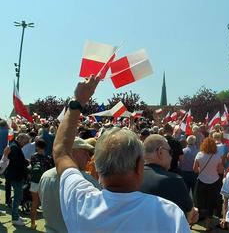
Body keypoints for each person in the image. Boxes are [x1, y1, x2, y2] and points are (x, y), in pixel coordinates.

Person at [52, 75, 190, 233]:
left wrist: (78, 101)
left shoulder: (81, 201)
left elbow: (61, 152)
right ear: (140, 165)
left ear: (96, 165)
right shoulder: (169, 214)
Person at [38, 137, 101, 233]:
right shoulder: (87, 181)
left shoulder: (45, 176)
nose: (89, 158)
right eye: (85, 153)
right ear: (71, 153)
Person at [141, 134, 198, 225]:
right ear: (160, 152)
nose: (172, 156)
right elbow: (190, 214)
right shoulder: (173, 180)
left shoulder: (132, 177)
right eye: (170, 152)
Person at [193, 137, 223, 231]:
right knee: (210, 204)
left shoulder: (199, 155)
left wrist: (202, 171)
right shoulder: (217, 156)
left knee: (199, 203)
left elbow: (194, 169)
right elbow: (221, 171)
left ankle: (192, 222)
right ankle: (207, 226)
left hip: (201, 181)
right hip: (214, 182)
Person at [6, 133, 30, 226]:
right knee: (17, 197)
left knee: (18, 197)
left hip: (15, 175)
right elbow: (18, 162)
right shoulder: (15, 147)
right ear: (21, 139)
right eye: (26, 141)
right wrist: (26, 162)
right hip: (15, 176)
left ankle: (16, 215)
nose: (26, 143)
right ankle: (15, 218)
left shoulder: (15, 145)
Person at [29, 138, 53, 229]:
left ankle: (32, 223)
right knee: (46, 205)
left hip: (34, 181)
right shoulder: (48, 158)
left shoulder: (33, 157)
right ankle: (48, 225)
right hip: (44, 182)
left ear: (37, 147)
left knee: (34, 203)